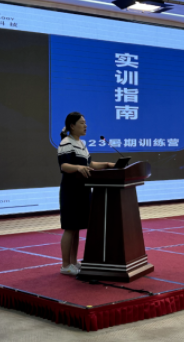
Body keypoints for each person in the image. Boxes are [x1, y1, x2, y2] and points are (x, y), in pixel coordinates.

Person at [57, 112, 115, 276]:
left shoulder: (81, 144)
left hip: (83, 189)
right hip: (71, 190)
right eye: (82, 123)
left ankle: (74, 262)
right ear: (72, 126)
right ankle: (65, 265)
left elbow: (90, 164)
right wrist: (78, 168)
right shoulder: (66, 143)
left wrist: (107, 164)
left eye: (85, 122)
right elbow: (64, 166)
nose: (85, 125)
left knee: (76, 229)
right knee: (70, 228)